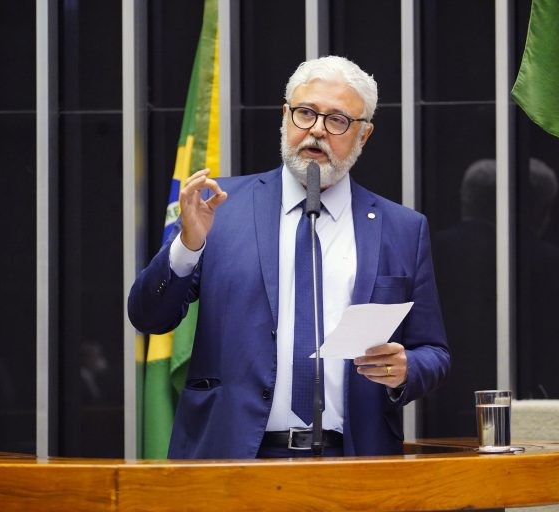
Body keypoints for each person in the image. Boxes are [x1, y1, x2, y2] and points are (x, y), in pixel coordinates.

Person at [128, 55, 449, 459]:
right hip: (230, 455)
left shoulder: (402, 229)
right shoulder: (219, 209)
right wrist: (187, 247)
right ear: (285, 117)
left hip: (353, 459)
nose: (316, 130)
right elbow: (148, 316)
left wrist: (405, 369)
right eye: (305, 113)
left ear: (363, 135)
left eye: (337, 120)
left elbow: (433, 352)